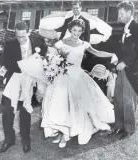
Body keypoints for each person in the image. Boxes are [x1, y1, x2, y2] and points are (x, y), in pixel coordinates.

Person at [40, 19, 116, 148]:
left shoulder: (84, 44)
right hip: (63, 76)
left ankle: (68, 133)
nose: (77, 33)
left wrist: (112, 54)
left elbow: (97, 53)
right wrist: (51, 62)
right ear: (70, 30)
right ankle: (61, 131)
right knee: (61, 104)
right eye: (74, 30)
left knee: (77, 104)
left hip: (78, 76)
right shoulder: (61, 43)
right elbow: (51, 56)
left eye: (80, 31)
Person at [0, 21, 40, 153]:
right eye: (18, 37)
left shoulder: (37, 43)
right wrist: (24, 66)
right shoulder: (10, 44)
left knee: (25, 113)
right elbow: (5, 62)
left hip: (29, 83)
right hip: (13, 81)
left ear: (29, 32)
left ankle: (26, 141)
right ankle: (9, 139)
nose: (21, 39)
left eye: (23, 36)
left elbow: (42, 61)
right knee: (7, 111)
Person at [112, 1, 138, 140]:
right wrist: (117, 58)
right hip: (122, 67)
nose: (119, 15)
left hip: (132, 68)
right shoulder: (124, 27)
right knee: (118, 96)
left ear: (130, 12)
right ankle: (119, 125)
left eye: (122, 13)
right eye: (119, 13)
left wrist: (125, 62)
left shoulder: (137, 26)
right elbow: (123, 49)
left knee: (128, 99)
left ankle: (129, 128)